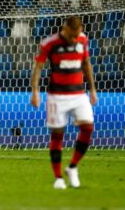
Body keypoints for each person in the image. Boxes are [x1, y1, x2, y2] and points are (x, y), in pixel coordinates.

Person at [30, 16, 97, 189]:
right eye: (72, 35)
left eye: (77, 35)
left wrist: (93, 89)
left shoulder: (83, 39)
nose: (75, 39)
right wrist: (35, 92)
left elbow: (86, 64)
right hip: (57, 96)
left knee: (88, 127)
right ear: (64, 29)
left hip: (78, 94)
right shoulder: (49, 43)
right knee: (57, 135)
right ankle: (58, 177)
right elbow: (38, 67)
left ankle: (72, 166)